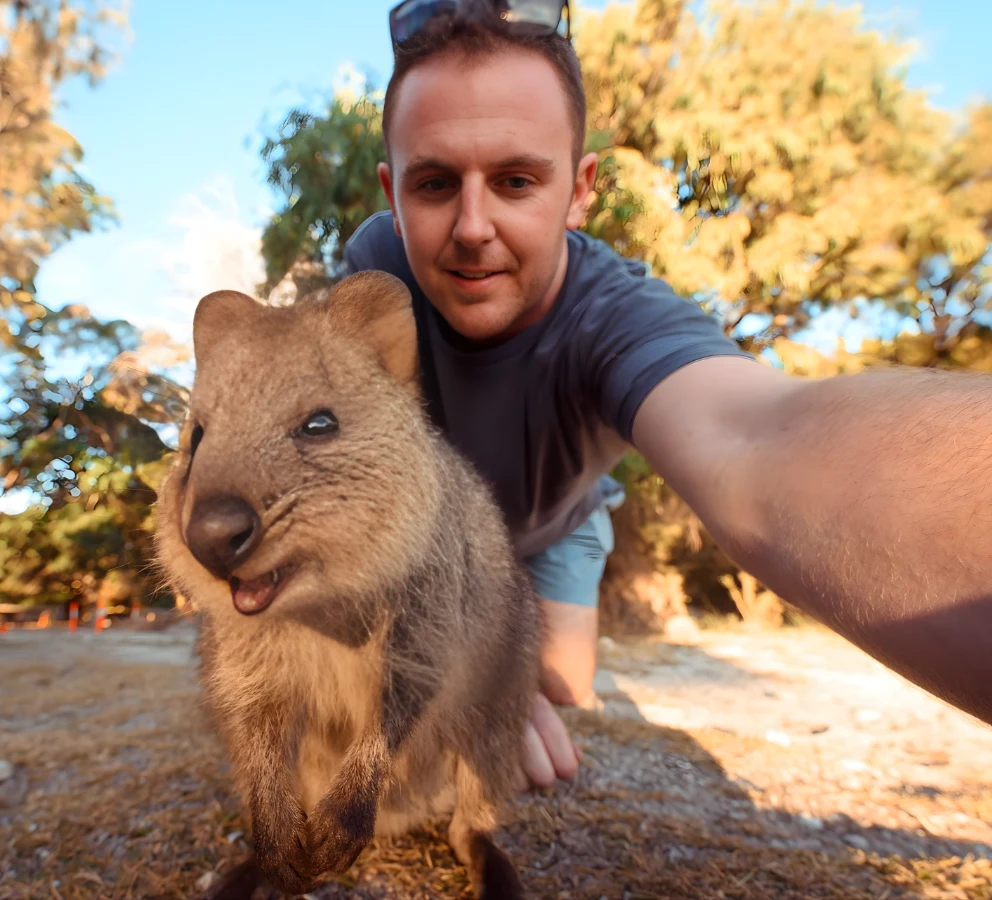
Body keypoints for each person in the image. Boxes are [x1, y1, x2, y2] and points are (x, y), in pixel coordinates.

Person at [344, 0, 992, 788]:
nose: (473, 226)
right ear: (391, 192)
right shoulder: (372, 278)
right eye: (437, 184)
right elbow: (334, 486)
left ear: (580, 191)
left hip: (557, 530)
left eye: (517, 181)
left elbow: (757, 441)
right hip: (434, 541)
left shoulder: (615, 314)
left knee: (559, 699)